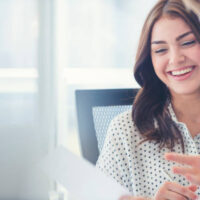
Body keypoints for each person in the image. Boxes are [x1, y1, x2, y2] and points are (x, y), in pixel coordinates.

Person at [96, 0, 200, 199]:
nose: (176, 59)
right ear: (150, 59)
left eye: (188, 42)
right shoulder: (125, 131)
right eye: (161, 50)